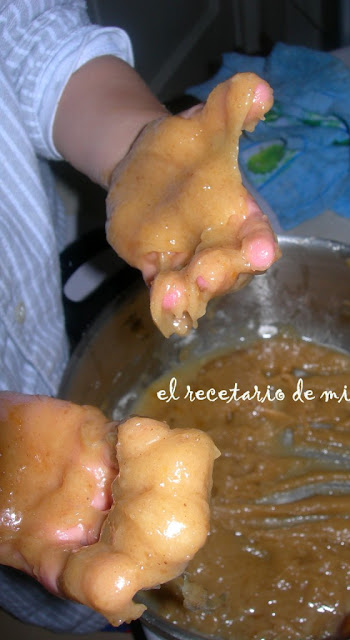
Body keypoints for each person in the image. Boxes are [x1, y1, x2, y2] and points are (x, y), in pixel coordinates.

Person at [0, 0, 277, 632]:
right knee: (68, 591)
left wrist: (143, 155)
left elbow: (27, 38)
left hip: (38, 358)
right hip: (27, 502)